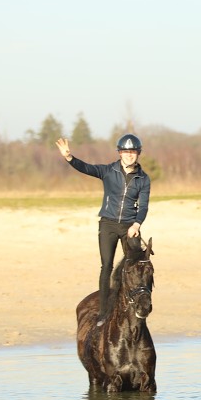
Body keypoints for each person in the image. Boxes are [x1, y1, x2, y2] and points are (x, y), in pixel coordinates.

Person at [55, 133, 150, 327]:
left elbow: (144, 206)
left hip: (129, 226)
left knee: (136, 265)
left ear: (138, 153)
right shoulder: (108, 171)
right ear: (120, 153)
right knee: (106, 266)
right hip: (108, 224)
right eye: (125, 152)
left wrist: (136, 224)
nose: (129, 155)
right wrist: (69, 157)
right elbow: (86, 168)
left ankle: (136, 305)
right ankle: (104, 313)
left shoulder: (143, 178)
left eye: (133, 152)